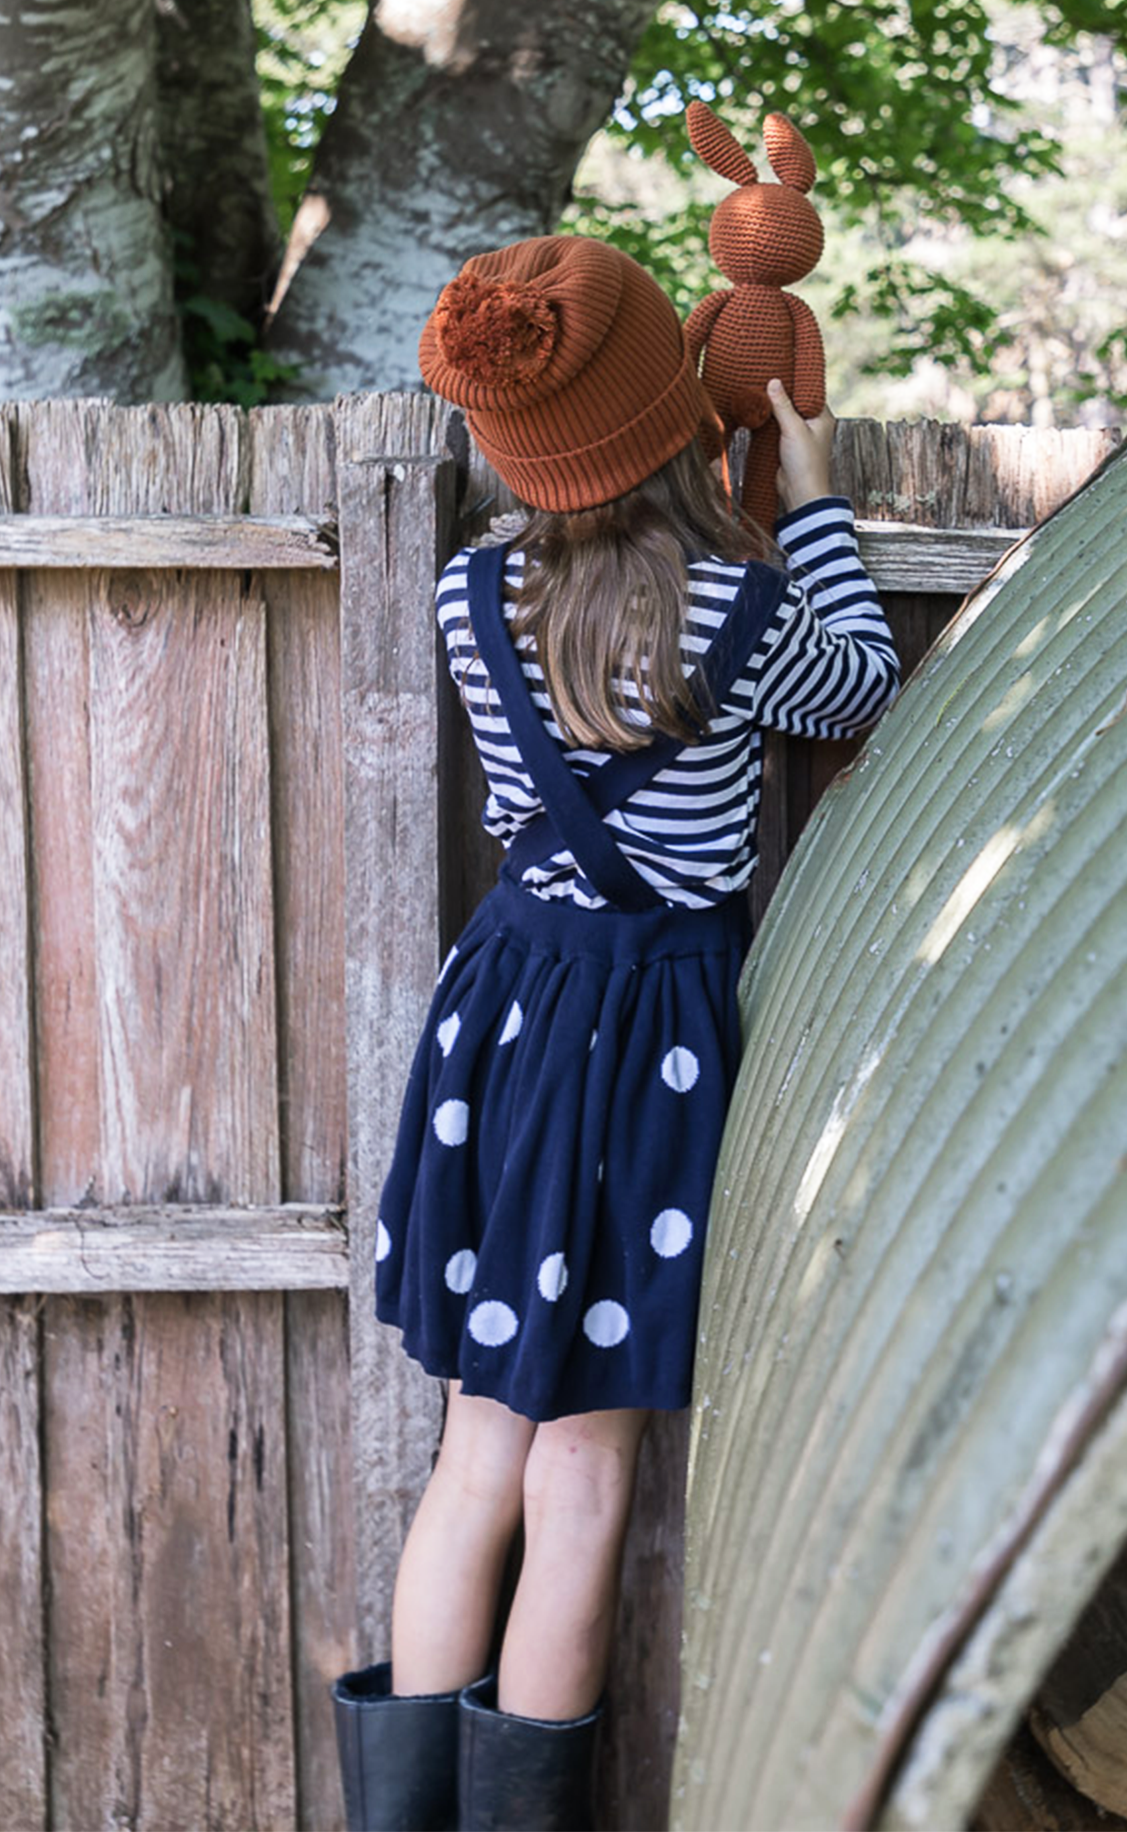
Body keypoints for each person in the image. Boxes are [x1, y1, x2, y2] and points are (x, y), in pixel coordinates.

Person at [332, 233, 899, 1832]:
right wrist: (810, 487)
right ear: (673, 406)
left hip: (508, 1015)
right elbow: (856, 686)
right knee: (582, 1479)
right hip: (647, 1033)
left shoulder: (465, 592)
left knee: (475, 1463)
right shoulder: (736, 604)